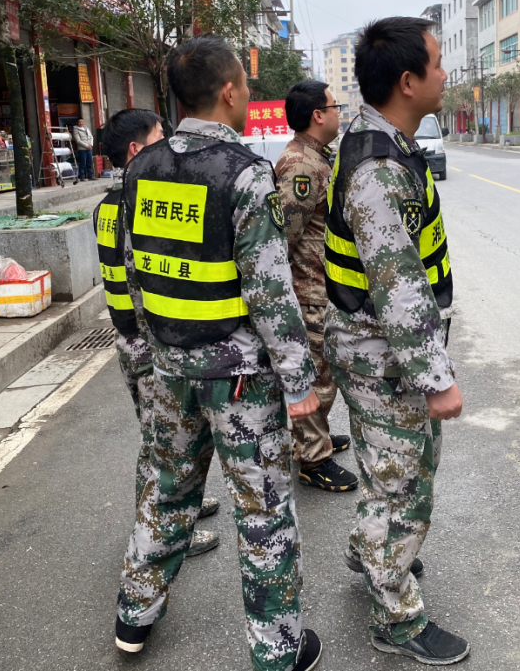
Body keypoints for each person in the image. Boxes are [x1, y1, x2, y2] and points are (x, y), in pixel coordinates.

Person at [114, 36, 324, 671]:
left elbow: (133, 275)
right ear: (231, 91)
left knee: (166, 492)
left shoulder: (140, 169)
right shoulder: (243, 174)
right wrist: (299, 384)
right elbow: (270, 291)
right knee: (263, 511)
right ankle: (278, 649)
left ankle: (134, 614)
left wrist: (149, 355)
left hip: (170, 370)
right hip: (238, 383)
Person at [324, 17, 469, 665]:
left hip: (374, 347)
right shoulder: (378, 171)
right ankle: (398, 617)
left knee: (390, 472)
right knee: (405, 484)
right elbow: (398, 287)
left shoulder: (386, 142)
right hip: (381, 353)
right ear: (407, 82)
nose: (446, 74)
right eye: (438, 63)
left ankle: (369, 551)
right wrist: (435, 378)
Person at [96, 108, 221, 559]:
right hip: (148, 342)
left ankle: (177, 509)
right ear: (136, 150)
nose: (168, 143)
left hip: (128, 337)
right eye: (159, 135)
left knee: (161, 439)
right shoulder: (137, 203)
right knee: (159, 443)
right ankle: (161, 532)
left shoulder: (107, 205)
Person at [276, 80, 359, 493]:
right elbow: (283, 238)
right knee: (316, 377)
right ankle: (312, 457)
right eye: (335, 105)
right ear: (317, 115)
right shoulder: (302, 166)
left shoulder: (316, 157)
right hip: (308, 289)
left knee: (325, 372)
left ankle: (316, 437)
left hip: (321, 286)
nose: (339, 112)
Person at [73, 117, 95, 181]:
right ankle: (82, 176)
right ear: (77, 122)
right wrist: (86, 146)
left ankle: (90, 176)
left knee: (89, 163)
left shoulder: (86, 128)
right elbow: (78, 140)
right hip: (82, 149)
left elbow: (91, 137)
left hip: (89, 148)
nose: (81, 123)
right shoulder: (76, 130)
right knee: (82, 163)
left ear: (83, 122)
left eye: (82, 121)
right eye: (79, 122)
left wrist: (91, 144)